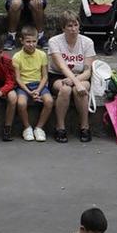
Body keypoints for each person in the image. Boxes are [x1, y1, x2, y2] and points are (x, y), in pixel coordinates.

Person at [46, 10, 95, 142]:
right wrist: (75, 83)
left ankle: (85, 126)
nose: (73, 29)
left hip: (81, 76)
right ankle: (60, 127)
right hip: (58, 76)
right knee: (65, 89)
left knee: (81, 90)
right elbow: (62, 66)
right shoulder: (54, 41)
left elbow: (88, 70)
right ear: (63, 28)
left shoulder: (87, 42)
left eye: (76, 25)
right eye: (69, 26)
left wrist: (76, 81)